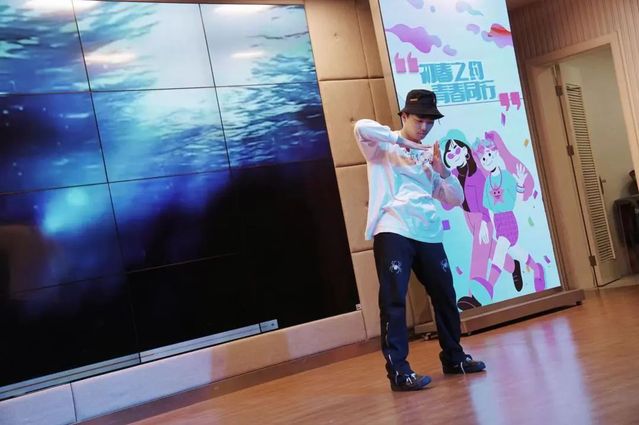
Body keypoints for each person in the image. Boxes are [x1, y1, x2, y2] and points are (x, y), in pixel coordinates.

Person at [354, 89, 486, 392]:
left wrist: (444, 172)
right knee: (393, 300)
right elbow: (360, 127)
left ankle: (454, 358)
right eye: (418, 120)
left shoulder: (431, 157)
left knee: (445, 296)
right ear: (404, 116)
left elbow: (455, 198)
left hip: (428, 233)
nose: (424, 127)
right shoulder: (382, 147)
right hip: (393, 228)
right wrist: (402, 141)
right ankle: (399, 372)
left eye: (429, 121)